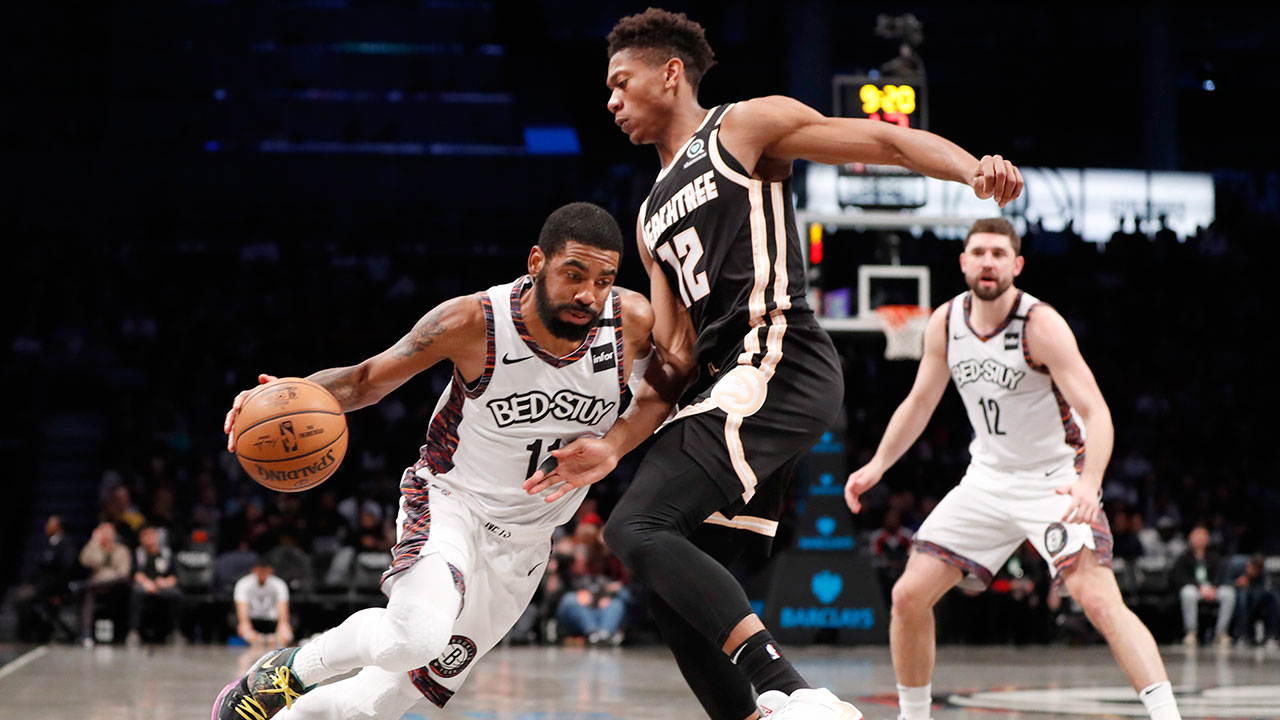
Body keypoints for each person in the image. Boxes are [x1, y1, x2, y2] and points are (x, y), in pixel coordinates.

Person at [522, 9, 1021, 720]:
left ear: (670, 74)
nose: (611, 101)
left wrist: (971, 169)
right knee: (672, 598)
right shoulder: (648, 214)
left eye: (621, 83)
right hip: (723, 381)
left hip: (779, 353)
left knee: (634, 528)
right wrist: (609, 445)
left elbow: (882, 139)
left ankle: (790, 689)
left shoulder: (741, 127)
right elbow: (673, 364)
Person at [212, 202, 654, 720]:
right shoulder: (473, 322)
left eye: (603, 280)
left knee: (375, 705)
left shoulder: (631, 322)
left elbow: (663, 390)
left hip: (528, 543)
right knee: (413, 639)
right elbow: (364, 380)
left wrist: (617, 443)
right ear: (536, 262)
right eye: (573, 275)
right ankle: (288, 670)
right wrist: (287, 395)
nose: (588, 295)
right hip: (451, 504)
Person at [844, 218, 1182, 720]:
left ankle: (1167, 715)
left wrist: (1089, 483)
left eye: (999, 254)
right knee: (908, 595)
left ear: (1016, 265)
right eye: (978, 251)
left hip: (1053, 481)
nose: (987, 262)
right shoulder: (945, 322)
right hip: (986, 480)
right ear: (963, 261)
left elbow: (1097, 414)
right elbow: (918, 403)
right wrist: (877, 464)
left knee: (1099, 602)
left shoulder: (1039, 325)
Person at [13, 514, 78, 642]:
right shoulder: (45, 543)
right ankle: (35, 629)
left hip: (54, 588)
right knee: (20, 599)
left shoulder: (66, 544)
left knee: (23, 600)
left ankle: (36, 630)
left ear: (59, 527)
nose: (46, 526)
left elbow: (66, 570)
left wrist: (59, 594)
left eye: (50, 523)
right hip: (40, 585)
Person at [1171, 524, 1234, 648]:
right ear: (1190, 538)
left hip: (1212, 589)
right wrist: (1199, 587)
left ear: (1208, 539)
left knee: (1228, 593)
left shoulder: (1214, 556)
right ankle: (1191, 632)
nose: (1200, 539)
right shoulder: (1184, 557)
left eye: (1203, 536)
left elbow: (1219, 576)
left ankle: (1221, 633)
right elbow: (1180, 578)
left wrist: (1213, 588)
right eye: (1197, 536)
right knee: (1187, 593)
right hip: (1195, 589)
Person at [76, 520, 132, 646]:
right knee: (87, 592)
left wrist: (105, 578)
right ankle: (86, 634)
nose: (106, 534)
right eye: (103, 531)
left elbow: (124, 573)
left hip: (116, 586)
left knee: (89, 586)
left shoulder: (122, 549)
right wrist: (94, 542)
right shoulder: (95, 548)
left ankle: (125, 632)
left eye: (109, 531)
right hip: (96, 587)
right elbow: (84, 560)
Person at [126, 524, 183, 646]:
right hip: (144, 585)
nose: (149, 538)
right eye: (146, 536)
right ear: (141, 539)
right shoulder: (138, 554)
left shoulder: (166, 553)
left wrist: (165, 582)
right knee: (136, 593)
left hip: (163, 586)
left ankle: (175, 632)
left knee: (176, 594)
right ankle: (133, 632)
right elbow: (135, 573)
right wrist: (147, 583)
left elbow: (174, 576)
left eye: (152, 535)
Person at [233, 558, 293, 647]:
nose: (262, 573)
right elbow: (242, 607)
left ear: (270, 570)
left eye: (265, 570)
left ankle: (272, 639)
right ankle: (256, 639)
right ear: (254, 570)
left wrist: (283, 625)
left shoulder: (279, 584)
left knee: (287, 631)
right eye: (260, 570)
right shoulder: (243, 583)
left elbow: (282, 607)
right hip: (253, 620)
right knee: (241, 626)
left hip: (272, 621)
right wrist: (245, 625)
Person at [1231, 553, 1279, 649]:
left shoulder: (1264, 573)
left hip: (1257, 604)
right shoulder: (1237, 567)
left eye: (1258, 570)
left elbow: (1266, 590)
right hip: (1238, 603)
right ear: (1249, 565)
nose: (1255, 572)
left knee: (1273, 598)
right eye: (1253, 569)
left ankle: (1271, 636)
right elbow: (1223, 582)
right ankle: (1242, 636)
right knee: (1242, 598)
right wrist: (1236, 583)